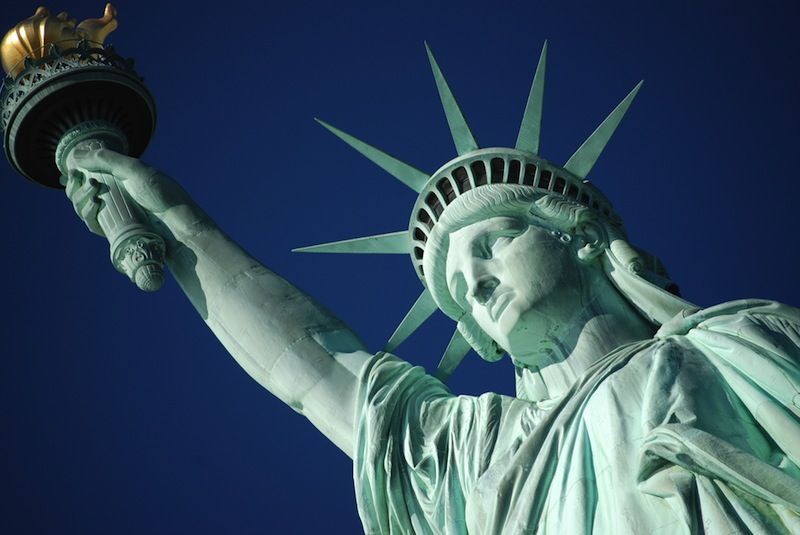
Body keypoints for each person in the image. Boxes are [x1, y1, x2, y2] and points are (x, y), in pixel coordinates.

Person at [60, 44, 800, 533]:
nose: (474, 281)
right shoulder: (483, 456)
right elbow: (316, 374)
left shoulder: (742, 343)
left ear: (576, 236)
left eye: (493, 241)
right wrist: (173, 214)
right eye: (456, 286)